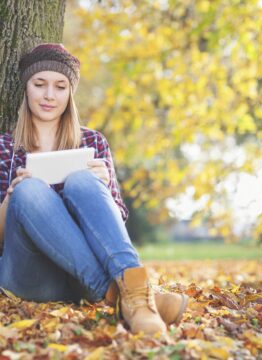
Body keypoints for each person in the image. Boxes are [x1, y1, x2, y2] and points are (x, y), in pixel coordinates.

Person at [0, 43, 188, 335]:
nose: (49, 95)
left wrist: (105, 187)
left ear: (69, 94)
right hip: (30, 275)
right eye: (40, 84)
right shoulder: (4, 148)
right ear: (27, 88)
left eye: (60, 87)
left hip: (81, 279)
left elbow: (113, 227)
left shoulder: (93, 142)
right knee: (29, 191)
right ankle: (125, 296)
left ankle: (135, 296)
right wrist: (12, 198)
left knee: (83, 180)